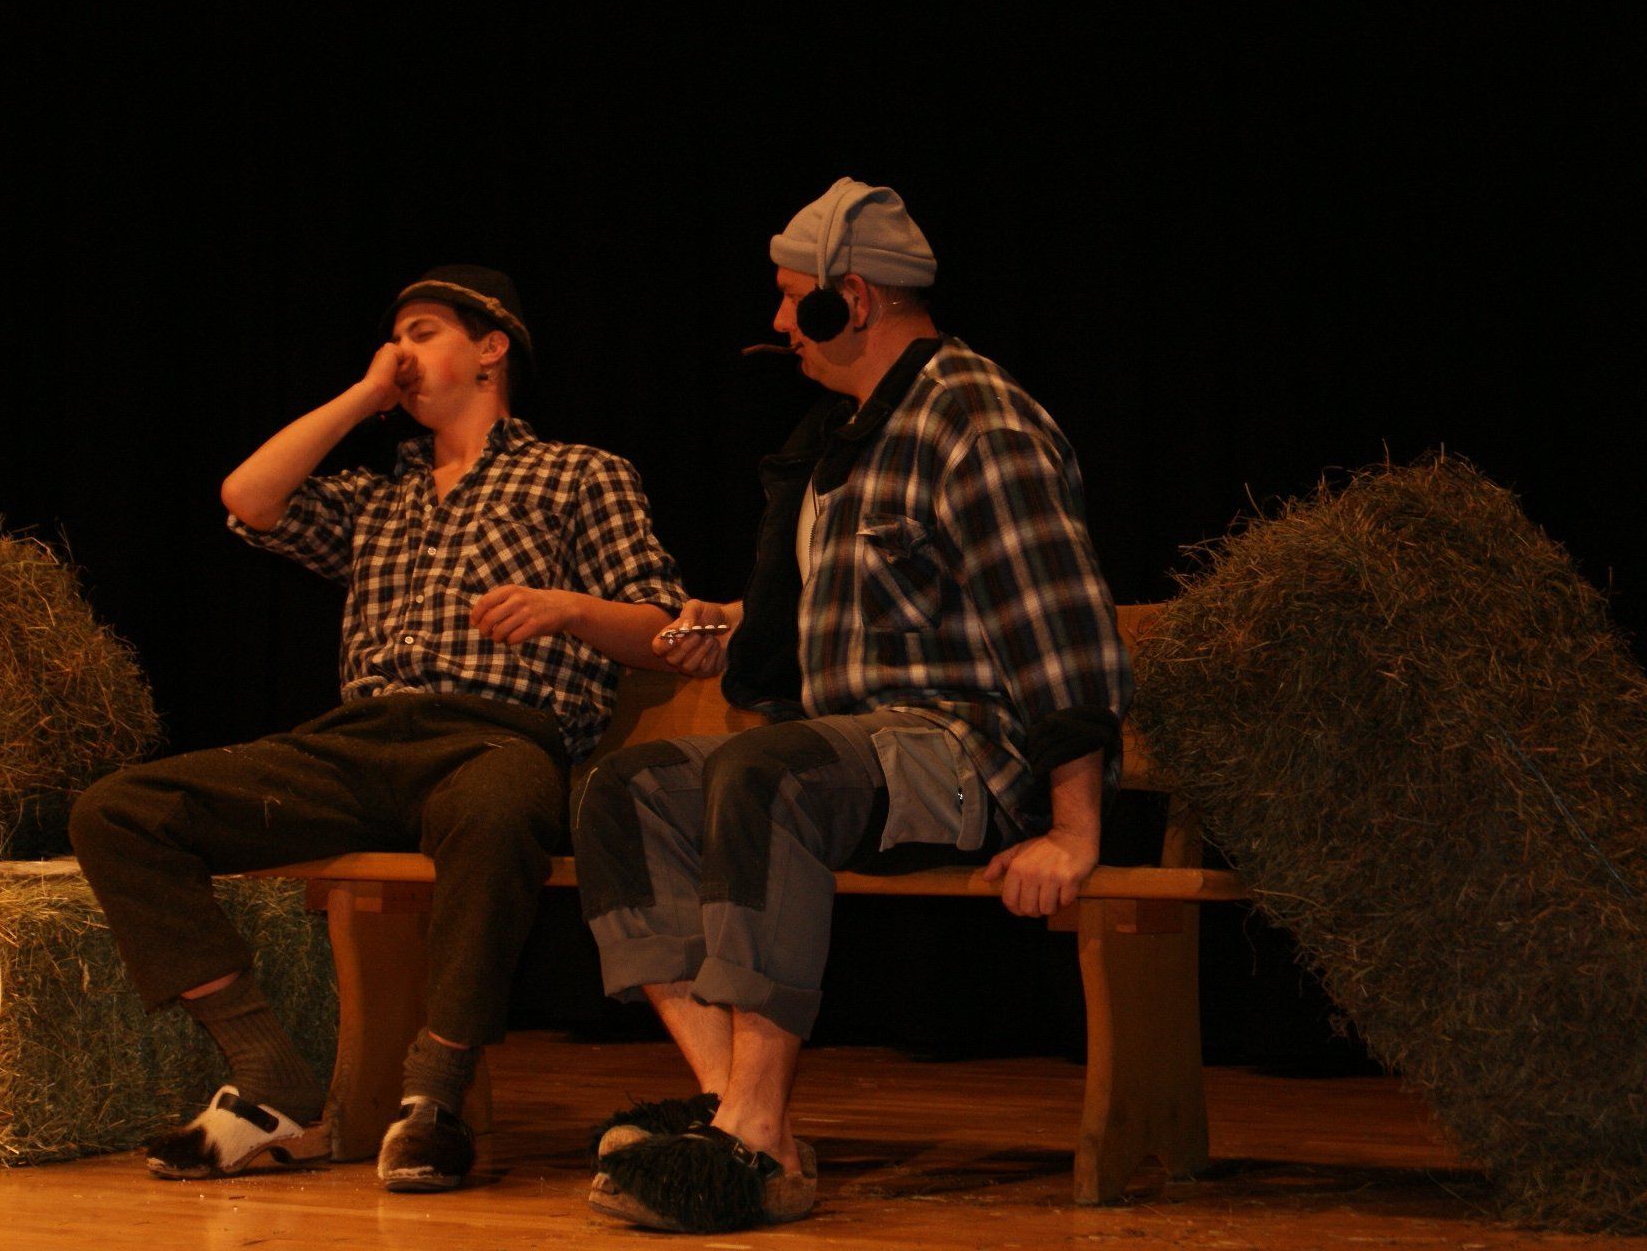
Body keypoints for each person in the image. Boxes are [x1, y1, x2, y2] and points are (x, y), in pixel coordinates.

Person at [574, 180, 1132, 1233]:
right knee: (624, 788)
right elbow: (847, 612)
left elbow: (1059, 621)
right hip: (850, 751)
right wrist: (729, 624)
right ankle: (738, 1116)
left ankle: (751, 1136)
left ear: (855, 298)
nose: (781, 321)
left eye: (797, 298)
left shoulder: (974, 417)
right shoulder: (846, 439)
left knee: (768, 769)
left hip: (964, 753)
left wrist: (1074, 828)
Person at [69, 265, 687, 1192]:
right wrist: (365, 397)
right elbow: (249, 498)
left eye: (423, 331)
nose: (400, 351)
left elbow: (663, 626)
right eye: (394, 336)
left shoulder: (577, 474)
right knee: (119, 811)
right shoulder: (377, 495)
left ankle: (434, 1097)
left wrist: (567, 607)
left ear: (492, 348)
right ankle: (268, 1074)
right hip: (359, 744)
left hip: (491, 737)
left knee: (497, 811)